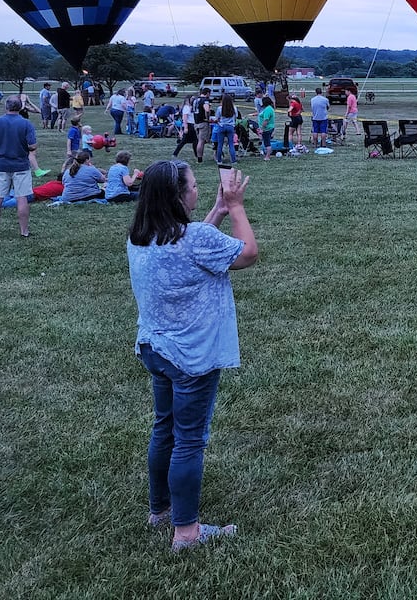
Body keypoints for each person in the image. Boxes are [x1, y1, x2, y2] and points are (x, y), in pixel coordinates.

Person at [128, 159, 258, 552]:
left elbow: (191, 245)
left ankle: (161, 510)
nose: (198, 190)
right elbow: (248, 254)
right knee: (188, 441)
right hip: (190, 354)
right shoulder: (195, 239)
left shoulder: (141, 235)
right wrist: (235, 206)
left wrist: (215, 211)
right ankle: (187, 533)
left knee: (163, 430)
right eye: (194, 186)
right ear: (177, 195)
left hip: (156, 348)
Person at [0, 97, 37, 239]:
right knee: (22, 198)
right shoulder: (26, 124)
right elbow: (32, 146)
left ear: (5, 107)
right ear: (20, 108)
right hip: (21, 165)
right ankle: (24, 232)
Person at [211, 96, 240, 165]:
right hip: (230, 127)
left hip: (221, 126)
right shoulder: (234, 108)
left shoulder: (220, 108)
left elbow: (217, 118)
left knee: (220, 144)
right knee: (231, 144)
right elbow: (236, 116)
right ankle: (233, 160)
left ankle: (219, 160)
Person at [193, 90, 214, 161]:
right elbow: (207, 110)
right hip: (203, 122)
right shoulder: (205, 100)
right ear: (207, 93)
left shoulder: (195, 100)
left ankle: (198, 156)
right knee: (201, 141)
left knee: (199, 140)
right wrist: (207, 118)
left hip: (196, 122)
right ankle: (199, 158)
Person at [256, 96, 276, 161]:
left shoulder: (267, 110)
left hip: (267, 129)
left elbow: (266, 120)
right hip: (269, 128)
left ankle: (267, 157)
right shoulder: (270, 108)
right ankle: (265, 153)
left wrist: (262, 128)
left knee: (267, 143)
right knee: (265, 142)